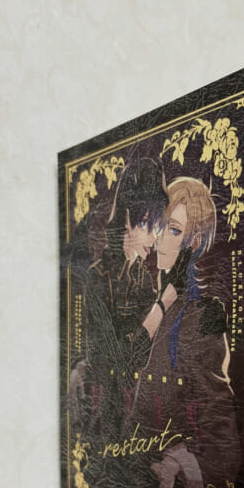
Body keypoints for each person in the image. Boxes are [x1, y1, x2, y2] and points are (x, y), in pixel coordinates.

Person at [130, 176, 242, 488]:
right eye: (161, 226)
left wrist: (180, 466)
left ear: (193, 243)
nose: (162, 239)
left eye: (175, 230)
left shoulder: (200, 316)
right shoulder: (152, 302)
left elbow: (220, 429)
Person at [68, 157, 168, 452]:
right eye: (147, 224)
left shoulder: (144, 279)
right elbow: (123, 358)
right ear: (127, 219)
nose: (155, 237)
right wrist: (161, 308)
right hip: (102, 411)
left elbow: (152, 355)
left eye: (158, 226)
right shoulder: (97, 277)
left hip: (135, 409)